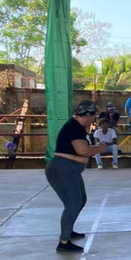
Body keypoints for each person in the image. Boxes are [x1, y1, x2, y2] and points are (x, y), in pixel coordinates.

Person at [45, 100, 108, 252]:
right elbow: (82, 151)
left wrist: (93, 148)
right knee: (73, 203)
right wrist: (101, 148)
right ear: (87, 115)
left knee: (81, 200)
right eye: (93, 116)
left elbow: (83, 149)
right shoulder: (75, 128)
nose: (94, 119)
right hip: (62, 169)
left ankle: (68, 230)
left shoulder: (78, 128)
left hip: (69, 169)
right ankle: (64, 242)